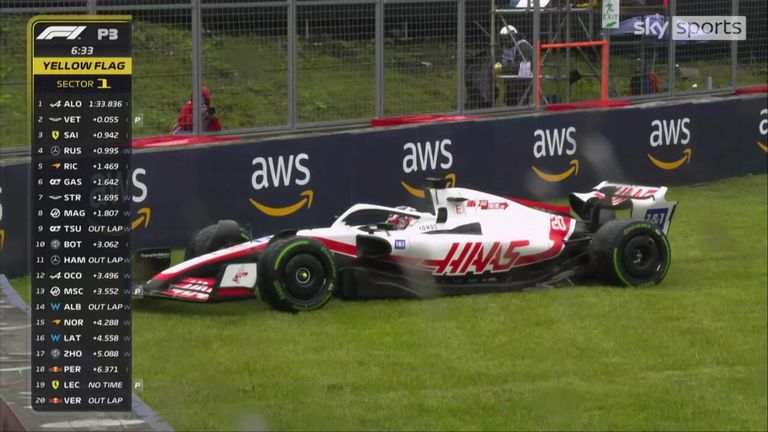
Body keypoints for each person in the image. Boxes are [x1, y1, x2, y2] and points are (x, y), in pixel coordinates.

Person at [499, 25, 533, 107]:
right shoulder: (505, 47)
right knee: (510, 104)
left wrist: (505, 67)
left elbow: (525, 67)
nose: (505, 41)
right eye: (503, 38)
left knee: (521, 106)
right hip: (511, 83)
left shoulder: (523, 45)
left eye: (506, 38)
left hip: (523, 83)